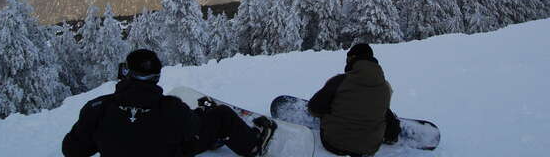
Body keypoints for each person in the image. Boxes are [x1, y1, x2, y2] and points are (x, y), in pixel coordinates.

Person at [62, 49, 276, 157]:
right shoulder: (171, 108)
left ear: (125, 73)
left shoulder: (97, 107)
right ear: (156, 77)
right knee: (221, 116)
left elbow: (72, 150)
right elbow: (193, 130)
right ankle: (253, 145)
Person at [307, 43, 401, 157]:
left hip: (333, 142)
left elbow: (314, 108)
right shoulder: (385, 87)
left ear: (352, 59)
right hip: (368, 148)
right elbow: (385, 116)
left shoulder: (340, 81)